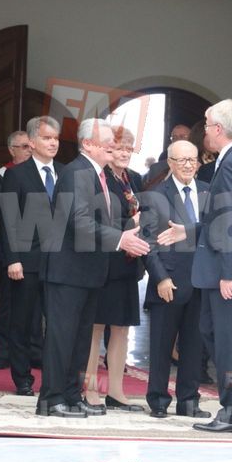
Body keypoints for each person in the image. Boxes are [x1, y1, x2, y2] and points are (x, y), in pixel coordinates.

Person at [159, 99, 232, 432]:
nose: (204, 131)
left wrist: (229, 273)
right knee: (211, 331)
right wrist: (189, 231)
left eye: (207, 124)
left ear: (218, 129)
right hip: (220, 264)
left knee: (227, 340)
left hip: (226, 269)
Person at [36, 118, 149, 418]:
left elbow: (101, 221)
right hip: (68, 271)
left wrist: (126, 230)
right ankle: (51, 399)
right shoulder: (77, 173)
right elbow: (80, 221)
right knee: (62, 337)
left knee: (80, 339)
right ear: (87, 144)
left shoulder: (97, 174)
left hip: (89, 271)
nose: (113, 146)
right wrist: (121, 239)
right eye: (107, 142)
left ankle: (72, 396)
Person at [142, 140, 210, 419]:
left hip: (201, 280)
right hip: (169, 281)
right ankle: (158, 400)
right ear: (170, 163)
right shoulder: (155, 195)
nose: (188, 165)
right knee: (161, 344)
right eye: (182, 160)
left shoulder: (207, 192)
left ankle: (189, 401)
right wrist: (160, 278)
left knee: (194, 346)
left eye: (193, 160)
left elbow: (215, 230)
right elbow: (148, 243)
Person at [0, 116, 62, 394]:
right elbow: (8, 219)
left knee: (58, 322)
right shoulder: (17, 174)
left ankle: (54, 375)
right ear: (32, 142)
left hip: (60, 262)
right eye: (47, 138)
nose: (53, 143)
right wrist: (13, 258)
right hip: (26, 260)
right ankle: (22, 377)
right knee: (23, 321)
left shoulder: (65, 172)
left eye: (55, 138)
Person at [84, 127, 145, 412]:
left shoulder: (134, 179)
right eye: (119, 147)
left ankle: (117, 392)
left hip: (128, 263)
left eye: (129, 148)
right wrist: (131, 225)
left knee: (121, 328)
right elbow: (98, 220)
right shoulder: (101, 178)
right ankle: (90, 389)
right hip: (104, 261)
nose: (124, 153)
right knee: (95, 328)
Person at [0, 130, 35, 370]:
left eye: (30, 146)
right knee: (9, 304)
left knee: (34, 308)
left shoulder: (39, 174)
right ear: (11, 150)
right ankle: (4, 352)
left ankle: (33, 351)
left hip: (36, 251)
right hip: (13, 251)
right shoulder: (3, 174)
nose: (29, 151)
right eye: (24, 147)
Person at [144, 124, 190, 188]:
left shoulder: (199, 167)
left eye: (182, 137)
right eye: (174, 137)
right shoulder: (156, 169)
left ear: (192, 140)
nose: (177, 140)